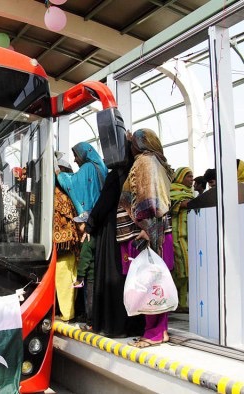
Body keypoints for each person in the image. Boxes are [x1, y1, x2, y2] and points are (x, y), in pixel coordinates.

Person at [84, 133, 144, 338]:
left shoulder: (117, 174)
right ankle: (133, 325)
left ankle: (113, 325)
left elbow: (104, 203)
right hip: (134, 229)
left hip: (112, 230)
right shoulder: (136, 171)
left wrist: (90, 226)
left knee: (112, 276)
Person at [124, 128, 174, 348]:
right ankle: (159, 331)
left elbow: (148, 197)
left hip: (149, 230)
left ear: (140, 145)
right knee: (156, 282)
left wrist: (147, 229)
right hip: (159, 230)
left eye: (133, 142)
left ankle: (153, 334)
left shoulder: (145, 161)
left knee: (149, 282)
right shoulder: (157, 162)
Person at [55, 142, 107, 330]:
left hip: (90, 221)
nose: (75, 160)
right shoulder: (99, 167)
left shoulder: (87, 168)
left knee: (89, 272)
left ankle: (91, 319)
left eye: (76, 155)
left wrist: (57, 173)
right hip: (101, 222)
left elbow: (73, 185)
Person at [53, 159, 82, 323]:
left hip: (63, 246)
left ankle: (67, 314)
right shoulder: (68, 193)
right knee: (71, 278)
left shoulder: (56, 195)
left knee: (64, 280)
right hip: (71, 245)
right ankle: (69, 312)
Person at [169, 167, 194, 314]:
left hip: (188, 237)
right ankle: (175, 301)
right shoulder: (172, 191)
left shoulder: (189, 193)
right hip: (175, 237)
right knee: (179, 269)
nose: (191, 179)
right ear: (180, 177)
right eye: (188, 176)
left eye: (192, 176)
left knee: (186, 269)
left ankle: (183, 303)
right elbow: (171, 206)